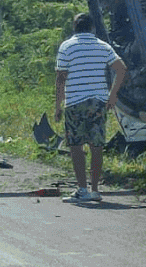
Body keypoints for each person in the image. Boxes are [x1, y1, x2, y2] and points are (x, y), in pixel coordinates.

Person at [55, 12, 126, 203]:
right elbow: (121, 68)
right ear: (92, 28)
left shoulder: (67, 46)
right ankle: (95, 190)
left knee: (76, 146)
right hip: (98, 102)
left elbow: (61, 77)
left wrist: (58, 105)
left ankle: (81, 189)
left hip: (75, 101)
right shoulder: (103, 46)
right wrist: (113, 95)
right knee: (97, 145)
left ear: (74, 27)